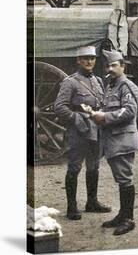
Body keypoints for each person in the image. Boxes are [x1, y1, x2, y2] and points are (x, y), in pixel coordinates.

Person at [83, 50, 138, 236]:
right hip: (113, 139)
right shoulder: (111, 86)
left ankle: (128, 219)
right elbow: (110, 109)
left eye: (114, 65)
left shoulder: (127, 86)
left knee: (125, 179)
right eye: (108, 66)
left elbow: (130, 111)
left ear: (123, 66)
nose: (110, 69)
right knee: (120, 178)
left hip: (123, 139)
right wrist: (94, 112)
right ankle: (122, 215)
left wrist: (104, 116)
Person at [54, 46, 111, 221]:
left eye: (92, 58)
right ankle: (72, 207)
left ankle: (91, 202)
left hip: (96, 131)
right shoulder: (70, 82)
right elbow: (59, 107)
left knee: (94, 167)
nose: (89, 61)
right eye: (85, 58)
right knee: (75, 167)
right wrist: (77, 118)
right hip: (78, 132)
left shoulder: (98, 81)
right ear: (78, 60)